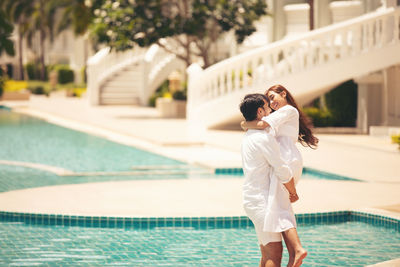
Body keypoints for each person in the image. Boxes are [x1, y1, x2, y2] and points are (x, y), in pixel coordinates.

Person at [241, 85, 317, 266]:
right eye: (267, 104)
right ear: (260, 110)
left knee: (270, 250)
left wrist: (245, 123)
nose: (271, 106)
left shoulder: (254, 133)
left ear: (284, 94)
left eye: (273, 98)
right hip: (263, 195)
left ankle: (296, 250)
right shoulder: (263, 136)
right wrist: (293, 191)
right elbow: (281, 169)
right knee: (273, 254)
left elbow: (262, 123)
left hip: (278, 172)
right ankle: (297, 249)